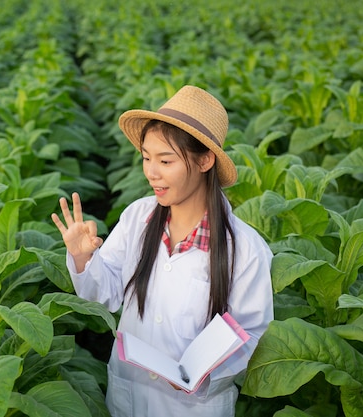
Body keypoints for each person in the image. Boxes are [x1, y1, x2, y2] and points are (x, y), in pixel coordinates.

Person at [51, 85, 273, 416]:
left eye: (165, 160)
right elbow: (106, 295)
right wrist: (83, 258)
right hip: (129, 395)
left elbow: (251, 333)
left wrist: (202, 375)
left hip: (195, 406)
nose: (152, 172)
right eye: (146, 158)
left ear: (205, 161)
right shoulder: (137, 217)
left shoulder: (245, 249)